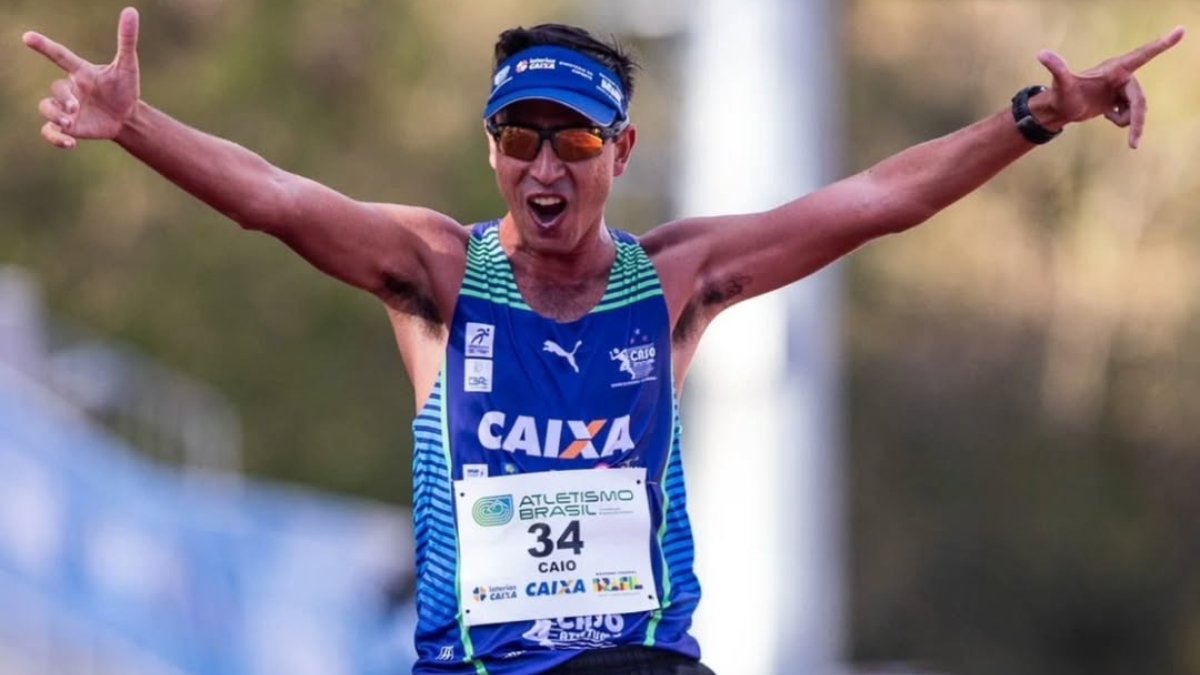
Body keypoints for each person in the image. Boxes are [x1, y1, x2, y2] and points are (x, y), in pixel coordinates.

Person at [21, 7, 1184, 674]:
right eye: (518, 140)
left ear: (619, 156)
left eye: (571, 146)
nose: (541, 169)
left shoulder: (674, 280)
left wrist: (1038, 115)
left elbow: (877, 198)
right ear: (490, 153)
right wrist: (138, 128)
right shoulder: (437, 274)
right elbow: (272, 197)